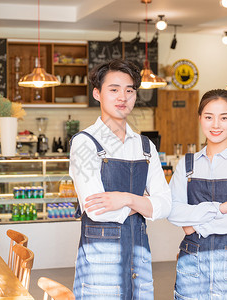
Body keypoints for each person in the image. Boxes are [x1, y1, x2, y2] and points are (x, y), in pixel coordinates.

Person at [69, 59, 172, 299]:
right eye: (113, 89)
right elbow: (97, 211)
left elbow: (165, 205)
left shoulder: (146, 146)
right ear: (97, 93)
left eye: (129, 90)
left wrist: (123, 198)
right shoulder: (84, 142)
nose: (122, 97)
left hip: (140, 256)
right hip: (100, 259)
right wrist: (143, 204)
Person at [168, 89, 227, 299]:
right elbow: (173, 211)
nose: (216, 125)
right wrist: (221, 208)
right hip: (193, 263)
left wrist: (196, 226)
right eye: (209, 117)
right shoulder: (186, 165)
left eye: (224, 117)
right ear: (200, 118)